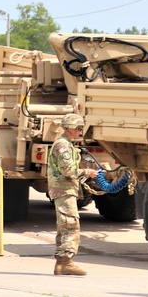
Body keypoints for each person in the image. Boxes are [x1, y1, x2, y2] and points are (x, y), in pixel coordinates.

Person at [48, 114, 97, 276]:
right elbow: (67, 170)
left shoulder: (67, 144)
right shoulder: (62, 145)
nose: (80, 131)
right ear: (70, 128)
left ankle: (62, 264)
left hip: (66, 189)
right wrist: (86, 172)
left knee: (64, 226)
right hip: (63, 190)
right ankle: (66, 262)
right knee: (71, 225)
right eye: (79, 128)